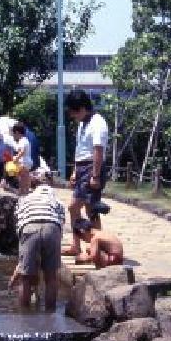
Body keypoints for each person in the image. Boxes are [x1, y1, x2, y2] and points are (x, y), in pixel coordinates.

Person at [62, 89, 109, 257]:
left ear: (82, 108)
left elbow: (98, 151)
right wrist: (75, 170)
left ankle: (97, 246)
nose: (73, 116)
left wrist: (95, 176)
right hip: (82, 167)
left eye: (74, 112)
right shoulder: (83, 123)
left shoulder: (98, 123)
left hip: (91, 168)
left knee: (78, 208)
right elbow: (80, 149)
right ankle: (85, 246)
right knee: (90, 209)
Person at [11, 179, 65, 310]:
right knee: (51, 276)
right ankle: (50, 314)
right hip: (52, 227)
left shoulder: (24, 199)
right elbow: (60, 222)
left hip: (29, 227)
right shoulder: (56, 201)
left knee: (26, 278)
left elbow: (18, 220)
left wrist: (22, 260)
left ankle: (24, 315)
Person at [12, 121, 33, 193]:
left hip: (23, 162)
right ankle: (26, 189)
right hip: (27, 161)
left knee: (21, 177)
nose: (13, 136)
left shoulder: (22, 141)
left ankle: (22, 190)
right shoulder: (26, 140)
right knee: (26, 176)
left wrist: (16, 158)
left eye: (14, 134)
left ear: (17, 132)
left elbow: (22, 151)